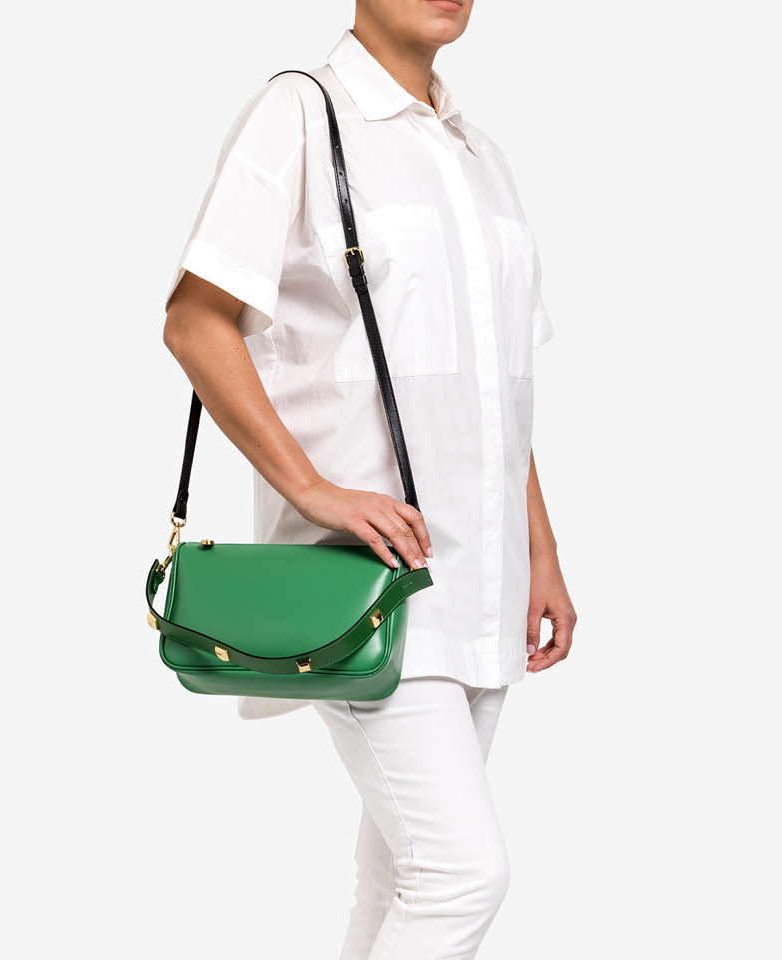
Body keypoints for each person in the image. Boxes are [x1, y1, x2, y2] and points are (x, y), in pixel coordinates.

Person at [162, 3, 577, 957]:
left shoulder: (482, 157)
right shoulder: (301, 114)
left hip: (483, 582)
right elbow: (195, 321)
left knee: (400, 875)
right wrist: (312, 490)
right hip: (367, 582)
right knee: (462, 875)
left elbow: (498, 389)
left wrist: (542, 552)